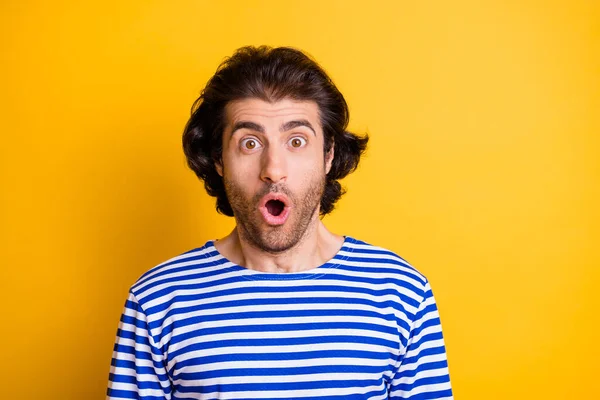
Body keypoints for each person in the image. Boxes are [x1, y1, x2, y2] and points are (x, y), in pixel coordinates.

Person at [107, 46, 453, 400]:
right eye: (250, 143)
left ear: (328, 154)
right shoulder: (157, 300)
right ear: (218, 159)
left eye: (297, 141)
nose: (273, 168)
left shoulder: (401, 293)